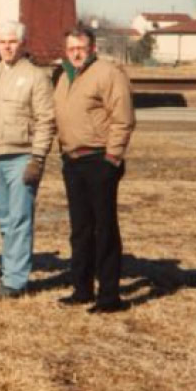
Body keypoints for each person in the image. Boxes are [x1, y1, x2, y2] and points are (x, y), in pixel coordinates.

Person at [53, 27, 135, 313]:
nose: (76, 52)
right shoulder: (64, 77)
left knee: (104, 229)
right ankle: (82, 288)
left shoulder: (108, 74)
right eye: (71, 47)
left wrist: (112, 157)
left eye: (81, 47)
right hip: (72, 162)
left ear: (92, 48)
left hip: (99, 160)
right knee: (81, 230)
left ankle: (109, 296)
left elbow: (122, 117)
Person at [0, 21, 56, 298]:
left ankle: (15, 281)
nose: (7, 47)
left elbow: (46, 119)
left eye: (12, 41)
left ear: (22, 43)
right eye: (2, 42)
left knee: (20, 219)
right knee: (3, 218)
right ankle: (8, 272)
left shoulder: (37, 77)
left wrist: (37, 158)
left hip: (22, 157)